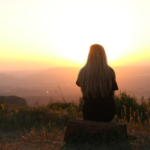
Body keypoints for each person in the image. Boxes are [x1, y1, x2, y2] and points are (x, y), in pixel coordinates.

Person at [76, 44, 118, 122]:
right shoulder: (110, 72)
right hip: (107, 114)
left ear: (89, 55)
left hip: (88, 113)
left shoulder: (82, 72)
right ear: (103, 56)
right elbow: (112, 95)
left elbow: (83, 90)